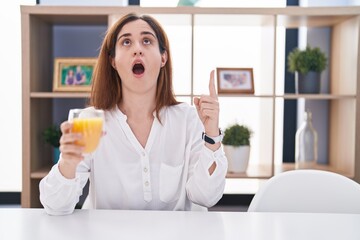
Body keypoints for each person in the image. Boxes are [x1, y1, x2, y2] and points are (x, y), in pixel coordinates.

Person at [39, 13, 227, 215]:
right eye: (126, 42)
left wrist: (212, 137)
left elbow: (206, 197)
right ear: (113, 61)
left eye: (147, 41)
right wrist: (68, 163)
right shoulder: (90, 121)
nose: (137, 49)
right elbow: (55, 207)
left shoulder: (188, 119)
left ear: (163, 57)